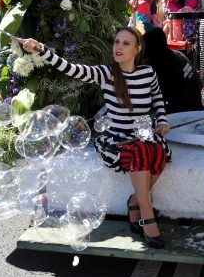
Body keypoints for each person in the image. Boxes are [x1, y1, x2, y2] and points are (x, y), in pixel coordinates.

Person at [21, 27, 171, 249]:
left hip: (145, 135)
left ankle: (134, 202)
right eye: (117, 42)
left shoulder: (147, 73)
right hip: (117, 139)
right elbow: (71, 69)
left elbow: (157, 97)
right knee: (140, 151)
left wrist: (162, 121)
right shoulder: (106, 73)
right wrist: (41, 49)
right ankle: (147, 217)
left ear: (137, 49)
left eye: (126, 43)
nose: (118, 47)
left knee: (158, 152)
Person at [143, 28, 204, 114]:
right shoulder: (177, 54)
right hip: (198, 104)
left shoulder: (164, 66)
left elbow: (159, 98)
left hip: (187, 113)